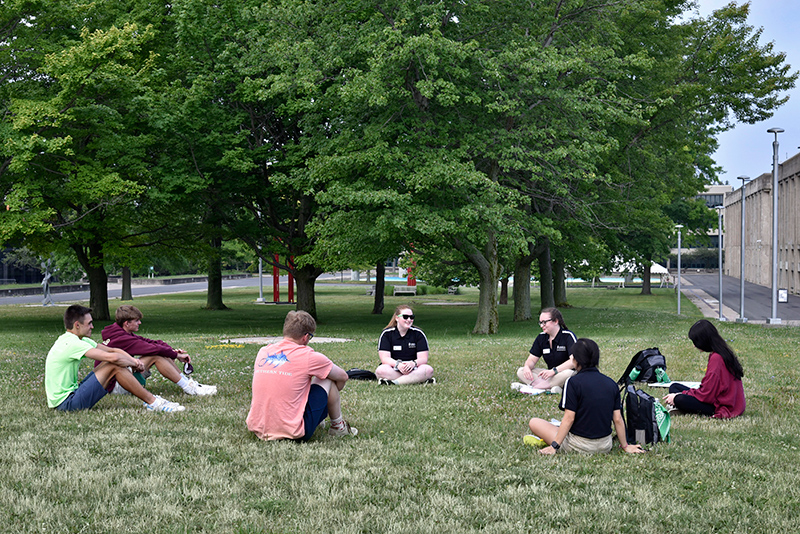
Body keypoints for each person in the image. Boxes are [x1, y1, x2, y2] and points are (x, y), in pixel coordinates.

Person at [45, 305, 185, 413]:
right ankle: (154, 403)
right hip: (66, 404)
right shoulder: (72, 343)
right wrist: (135, 362)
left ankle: (153, 401)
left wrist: (132, 361)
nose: (92, 327)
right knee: (114, 364)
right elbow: (112, 357)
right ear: (77, 325)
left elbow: (112, 350)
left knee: (112, 362)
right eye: (89, 323)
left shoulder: (77, 339)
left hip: (73, 394)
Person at [246, 310, 357, 441]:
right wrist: (329, 398)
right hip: (293, 433)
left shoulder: (263, 351)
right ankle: (338, 426)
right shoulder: (309, 357)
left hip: (259, 428)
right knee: (327, 379)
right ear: (305, 337)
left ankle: (316, 418)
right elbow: (343, 376)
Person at [527, 338, 644, 455]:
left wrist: (554, 446)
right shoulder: (611, 383)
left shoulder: (572, 382)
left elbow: (569, 418)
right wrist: (625, 446)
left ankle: (554, 440)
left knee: (534, 422)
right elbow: (617, 419)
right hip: (605, 445)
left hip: (579, 445)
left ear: (577, 360)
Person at [99, 305, 217, 396]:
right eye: (136, 320)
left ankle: (189, 384)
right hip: (114, 387)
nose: (139, 323)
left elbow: (150, 342)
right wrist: (176, 355)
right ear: (127, 323)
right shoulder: (122, 338)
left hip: (123, 376)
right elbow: (153, 349)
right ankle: (189, 388)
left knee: (161, 353)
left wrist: (172, 351)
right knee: (156, 355)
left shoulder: (122, 333)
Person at [662, 319, 745, 418]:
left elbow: (707, 395)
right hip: (721, 400)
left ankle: (679, 406)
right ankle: (679, 405)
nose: (694, 345)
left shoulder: (717, 358)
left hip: (719, 405)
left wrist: (678, 396)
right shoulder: (722, 352)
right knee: (674, 387)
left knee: (679, 399)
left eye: (695, 341)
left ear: (703, 340)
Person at [514, 307, 576, 392]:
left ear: (556, 321)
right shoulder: (541, 337)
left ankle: (536, 387)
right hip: (550, 375)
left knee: (568, 374)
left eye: (544, 322)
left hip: (565, 373)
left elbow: (574, 361)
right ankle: (550, 388)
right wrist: (527, 367)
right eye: (540, 322)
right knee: (521, 371)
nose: (542, 325)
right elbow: (532, 359)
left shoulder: (568, 336)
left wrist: (554, 371)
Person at [375, 305, 435, 385]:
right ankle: (415, 379)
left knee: (428, 370)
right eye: (405, 317)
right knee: (381, 370)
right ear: (397, 318)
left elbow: (423, 358)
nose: (409, 320)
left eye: (411, 317)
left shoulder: (418, 334)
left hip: (413, 368)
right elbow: (385, 358)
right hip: (394, 368)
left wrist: (413, 363)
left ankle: (394, 382)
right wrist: (398, 365)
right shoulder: (387, 334)